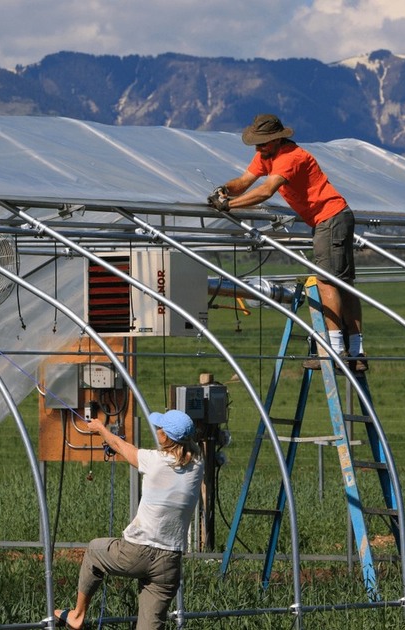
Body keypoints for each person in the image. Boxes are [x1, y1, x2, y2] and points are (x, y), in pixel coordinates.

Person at [207, 113, 367, 372]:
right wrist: (223, 190)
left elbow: (265, 191)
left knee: (328, 283)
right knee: (343, 284)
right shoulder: (266, 155)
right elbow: (244, 182)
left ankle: (337, 352)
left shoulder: (290, 157)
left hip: (329, 218)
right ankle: (356, 353)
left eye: (262, 143)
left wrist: (229, 206)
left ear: (277, 140)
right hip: (332, 218)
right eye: (256, 144)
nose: (258, 148)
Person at [54, 409, 203, 630]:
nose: (157, 431)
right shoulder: (198, 465)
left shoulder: (154, 461)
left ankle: (77, 615)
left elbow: (120, 445)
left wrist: (100, 428)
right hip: (170, 561)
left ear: (165, 437)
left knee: (94, 550)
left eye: (159, 428)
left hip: (136, 552)